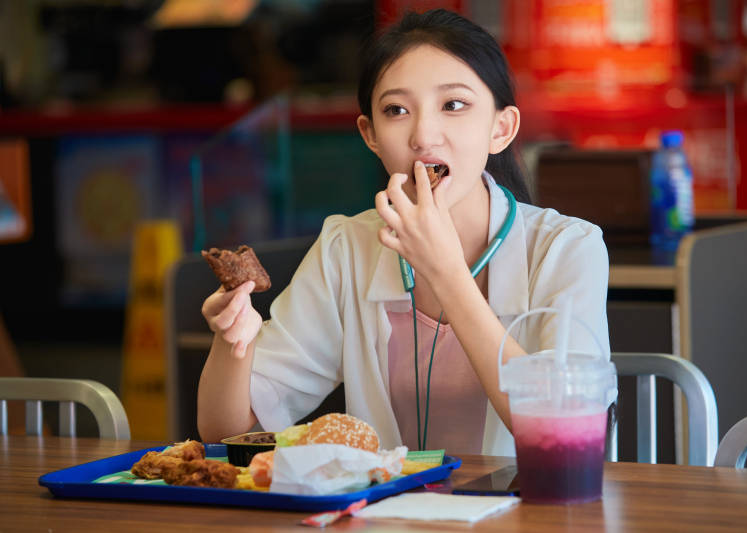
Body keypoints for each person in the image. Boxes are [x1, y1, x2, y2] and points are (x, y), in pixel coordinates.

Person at [197, 9, 609, 455]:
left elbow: (565, 435)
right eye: (397, 110)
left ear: (501, 128)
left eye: (454, 105)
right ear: (370, 134)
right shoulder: (346, 248)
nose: (424, 135)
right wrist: (232, 341)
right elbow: (226, 433)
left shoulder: (567, 247)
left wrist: (448, 274)